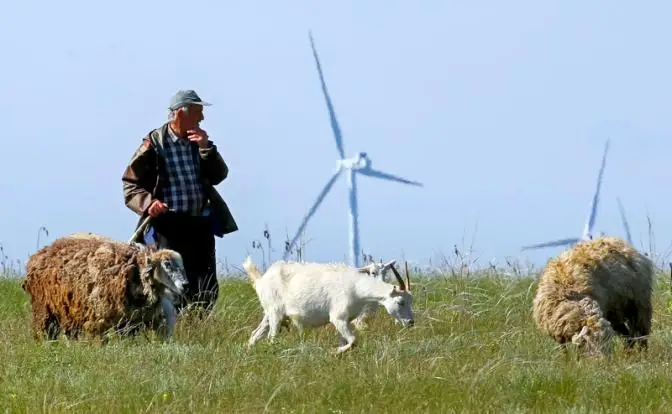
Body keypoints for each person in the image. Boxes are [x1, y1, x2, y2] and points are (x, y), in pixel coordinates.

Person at [121, 89, 238, 314]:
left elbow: (219, 175)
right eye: (198, 113)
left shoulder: (200, 142)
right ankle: (171, 323)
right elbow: (130, 183)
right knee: (171, 280)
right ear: (179, 114)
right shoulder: (153, 143)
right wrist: (148, 203)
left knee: (205, 281)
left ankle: (199, 323)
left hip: (200, 222)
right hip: (168, 225)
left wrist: (206, 148)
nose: (202, 119)